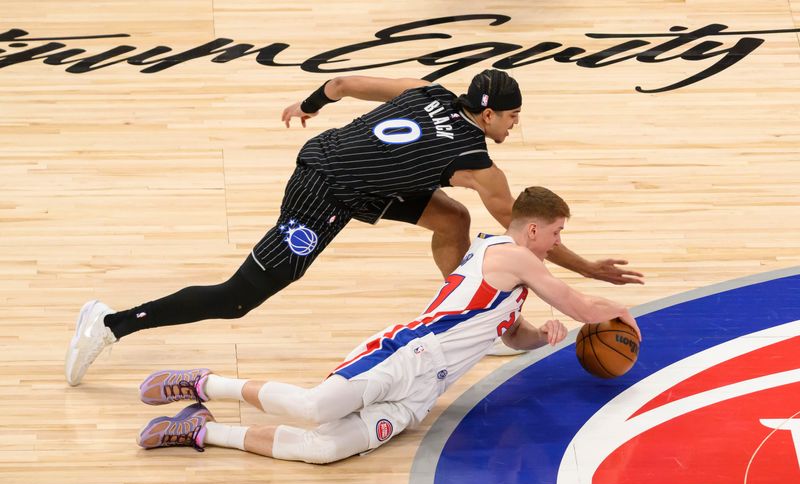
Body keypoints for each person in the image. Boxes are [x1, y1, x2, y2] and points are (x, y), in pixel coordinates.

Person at [66, 69, 643, 386]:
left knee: (451, 216)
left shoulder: (431, 91)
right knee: (239, 298)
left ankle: (469, 313)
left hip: (353, 170)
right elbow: (527, 234)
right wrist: (589, 269)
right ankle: (111, 324)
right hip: (326, 190)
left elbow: (344, 83)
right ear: (488, 114)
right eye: (513, 117)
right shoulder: (480, 165)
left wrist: (311, 102)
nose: (517, 126)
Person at [135, 186, 641, 463]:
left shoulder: (514, 277)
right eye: (555, 233)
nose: (557, 242)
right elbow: (578, 303)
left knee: (325, 450)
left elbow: (511, 333)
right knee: (316, 406)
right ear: (533, 228)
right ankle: (203, 383)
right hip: (409, 353)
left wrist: (541, 338)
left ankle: (201, 430)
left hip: (424, 391)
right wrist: (614, 313)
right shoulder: (512, 254)